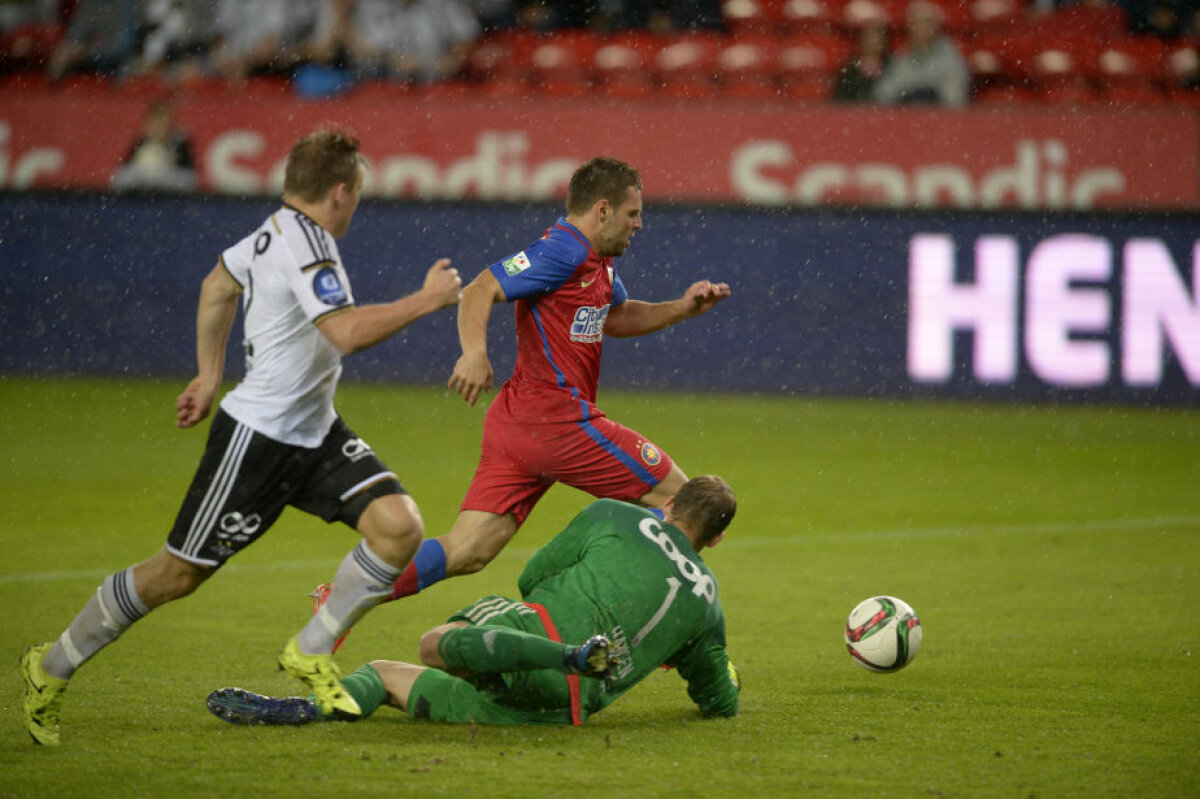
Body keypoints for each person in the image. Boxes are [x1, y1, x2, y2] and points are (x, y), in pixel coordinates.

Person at [19, 127, 463, 747]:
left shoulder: (269, 232)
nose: (356, 205)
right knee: (176, 574)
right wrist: (425, 299)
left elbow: (216, 286)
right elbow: (346, 334)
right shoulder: (308, 246)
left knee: (398, 526)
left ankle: (311, 650)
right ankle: (49, 666)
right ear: (340, 192)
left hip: (315, 431)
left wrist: (207, 374)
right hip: (257, 439)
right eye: (356, 193)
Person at [313, 155, 731, 635]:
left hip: (519, 424)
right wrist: (473, 353)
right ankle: (666, 635)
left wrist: (679, 308)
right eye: (633, 213)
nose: (640, 223)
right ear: (602, 210)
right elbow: (479, 289)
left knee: (468, 550)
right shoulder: (562, 252)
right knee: (691, 502)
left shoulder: (598, 263)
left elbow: (615, 317)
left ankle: (340, 600)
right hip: (557, 420)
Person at [208, 475, 740, 727]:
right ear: (714, 540)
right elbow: (720, 700)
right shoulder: (708, 601)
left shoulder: (618, 514)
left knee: (432, 645)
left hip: (541, 638)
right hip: (563, 711)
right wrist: (721, 676)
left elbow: (534, 576)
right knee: (388, 673)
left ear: (668, 504)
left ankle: (307, 707)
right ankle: (571, 663)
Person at [871, 0, 969, 107]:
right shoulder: (902, 57)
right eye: (915, 24)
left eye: (925, 23)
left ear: (935, 26)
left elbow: (954, 99)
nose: (920, 29)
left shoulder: (950, 57)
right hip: (906, 117)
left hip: (938, 117)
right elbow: (883, 94)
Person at [110, 98, 199, 193]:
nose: (158, 129)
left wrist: (161, 175)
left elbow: (190, 181)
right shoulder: (140, 144)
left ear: (170, 125)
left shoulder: (180, 145)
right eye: (154, 124)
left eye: (162, 124)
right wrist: (145, 174)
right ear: (146, 125)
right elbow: (120, 178)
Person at [832, 22, 890, 103]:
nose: (872, 42)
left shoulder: (893, 67)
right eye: (868, 38)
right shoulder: (849, 71)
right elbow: (841, 100)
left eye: (876, 38)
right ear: (861, 41)